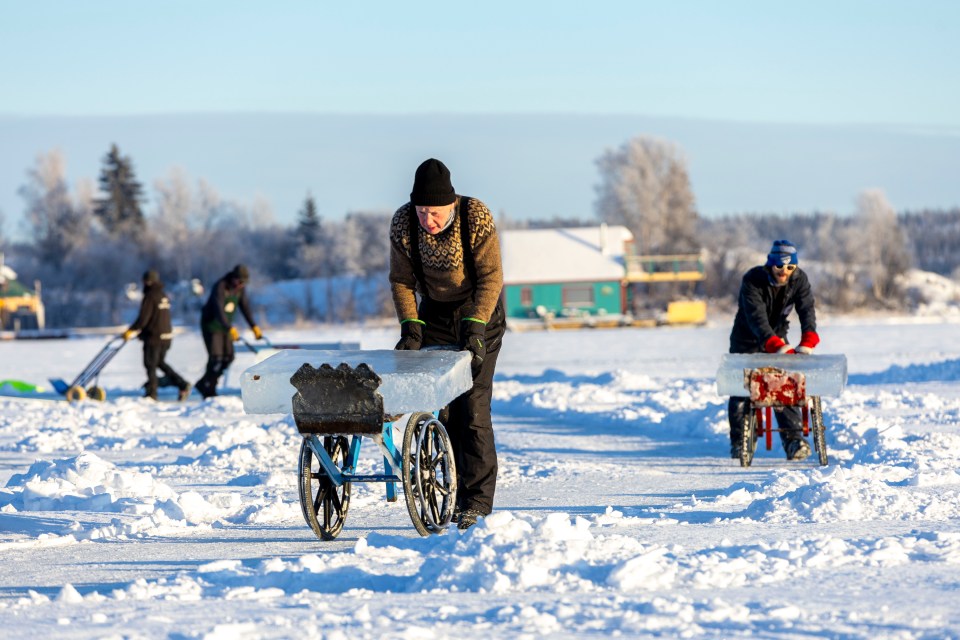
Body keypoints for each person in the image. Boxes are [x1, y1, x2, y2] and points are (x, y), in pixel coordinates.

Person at [389, 158, 506, 530]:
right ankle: (450, 493)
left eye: (435, 213)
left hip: (480, 312)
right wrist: (411, 327)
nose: (429, 221)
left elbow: (491, 278)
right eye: (423, 212)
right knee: (443, 405)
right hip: (435, 313)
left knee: (471, 406)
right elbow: (401, 281)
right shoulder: (404, 223)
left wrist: (474, 327)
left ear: (451, 205)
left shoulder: (476, 217)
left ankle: (477, 503)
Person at [728, 239, 820, 460]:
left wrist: (809, 336)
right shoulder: (753, 280)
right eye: (780, 266)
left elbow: (806, 309)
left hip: (778, 335)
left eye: (790, 267)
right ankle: (740, 441)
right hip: (746, 338)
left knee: (783, 385)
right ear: (770, 264)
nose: (784, 271)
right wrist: (774, 344)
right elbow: (756, 317)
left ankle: (793, 441)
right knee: (743, 389)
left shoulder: (799, 279)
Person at [122, 269, 191, 401]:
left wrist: (132, 329)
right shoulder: (162, 295)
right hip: (166, 336)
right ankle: (182, 384)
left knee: (150, 364)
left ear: (147, 282)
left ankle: (151, 394)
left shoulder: (150, 296)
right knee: (159, 362)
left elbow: (144, 318)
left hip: (154, 337)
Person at [195, 264, 262, 399]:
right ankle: (209, 390)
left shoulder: (240, 290)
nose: (242, 285)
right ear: (234, 278)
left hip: (226, 327)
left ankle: (203, 383)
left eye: (244, 283)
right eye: (240, 281)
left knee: (228, 357)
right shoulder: (220, 286)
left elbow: (245, 307)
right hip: (212, 326)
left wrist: (253, 326)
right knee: (216, 358)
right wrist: (229, 327)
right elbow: (218, 309)